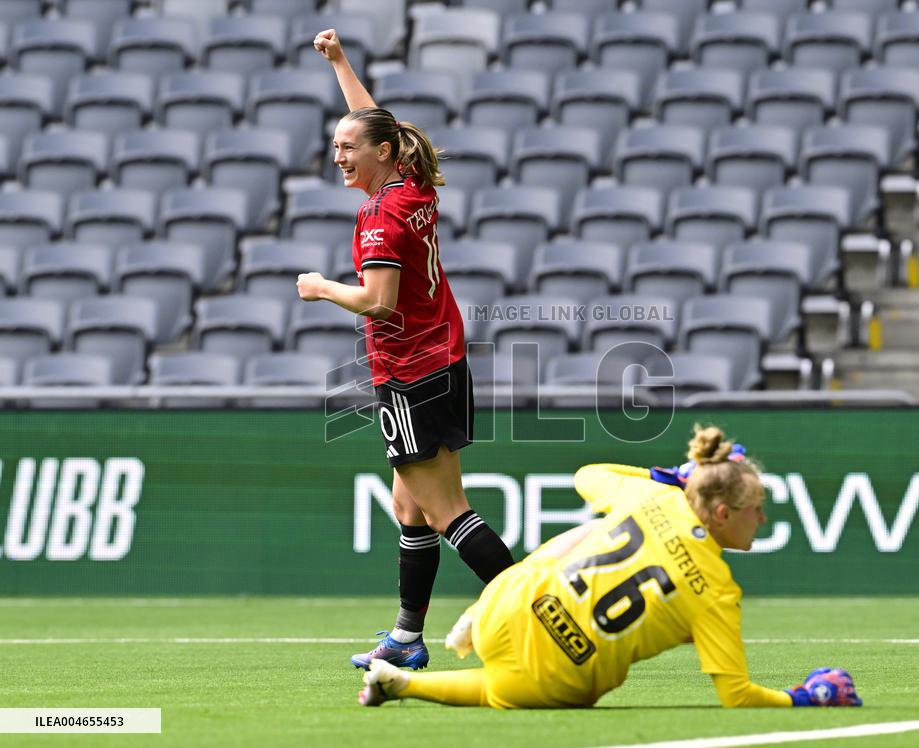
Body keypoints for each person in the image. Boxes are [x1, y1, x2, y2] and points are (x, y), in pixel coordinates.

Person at [356, 425, 863, 709]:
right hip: (555, 675)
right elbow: (736, 694)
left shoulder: (653, 498)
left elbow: (588, 473)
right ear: (724, 514)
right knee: (508, 688)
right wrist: (805, 698)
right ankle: (411, 686)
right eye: (757, 510)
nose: (763, 519)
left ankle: (458, 627)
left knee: (582, 537)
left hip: (504, 610)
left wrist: (667, 476)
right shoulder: (718, 592)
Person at [298, 28, 514, 671]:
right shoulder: (411, 185)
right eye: (334, 146)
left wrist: (320, 288)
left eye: (347, 149)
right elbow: (374, 120)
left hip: (410, 373)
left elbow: (379, 302)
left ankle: (540, 611)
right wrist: (340, 63)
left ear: (382, 153)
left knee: (448, 511)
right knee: (408, 506)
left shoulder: (379, 218)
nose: (338, 156)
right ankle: (407, 638)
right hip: (441, 358)